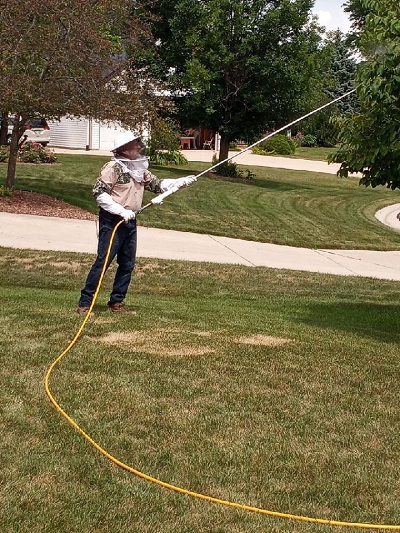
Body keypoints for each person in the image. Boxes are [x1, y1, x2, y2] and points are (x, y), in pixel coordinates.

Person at [77, 131, 196, 315]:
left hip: (130, 221)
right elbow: (99, 194)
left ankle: (116, 302)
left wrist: (181, 182)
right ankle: (85, 303)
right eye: (136, 143)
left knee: (127, 263)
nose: (139, 146)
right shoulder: (113, 168)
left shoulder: (139, 169)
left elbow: (157, 185)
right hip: (112, 220)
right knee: (103, 261)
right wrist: (121, 211)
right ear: (125, 149)